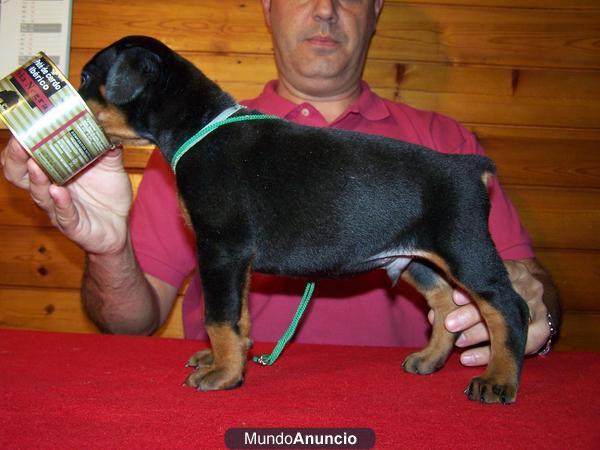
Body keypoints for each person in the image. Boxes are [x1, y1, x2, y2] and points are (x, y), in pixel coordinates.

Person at [1, 0, 559, 367]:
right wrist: (109, 246)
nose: (324, 8)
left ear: (376, 8)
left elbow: (521, 278)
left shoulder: (445, 145)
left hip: (400, 414)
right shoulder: (188, 157)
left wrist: (532, 299)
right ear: (266, 6)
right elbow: (130, 324)